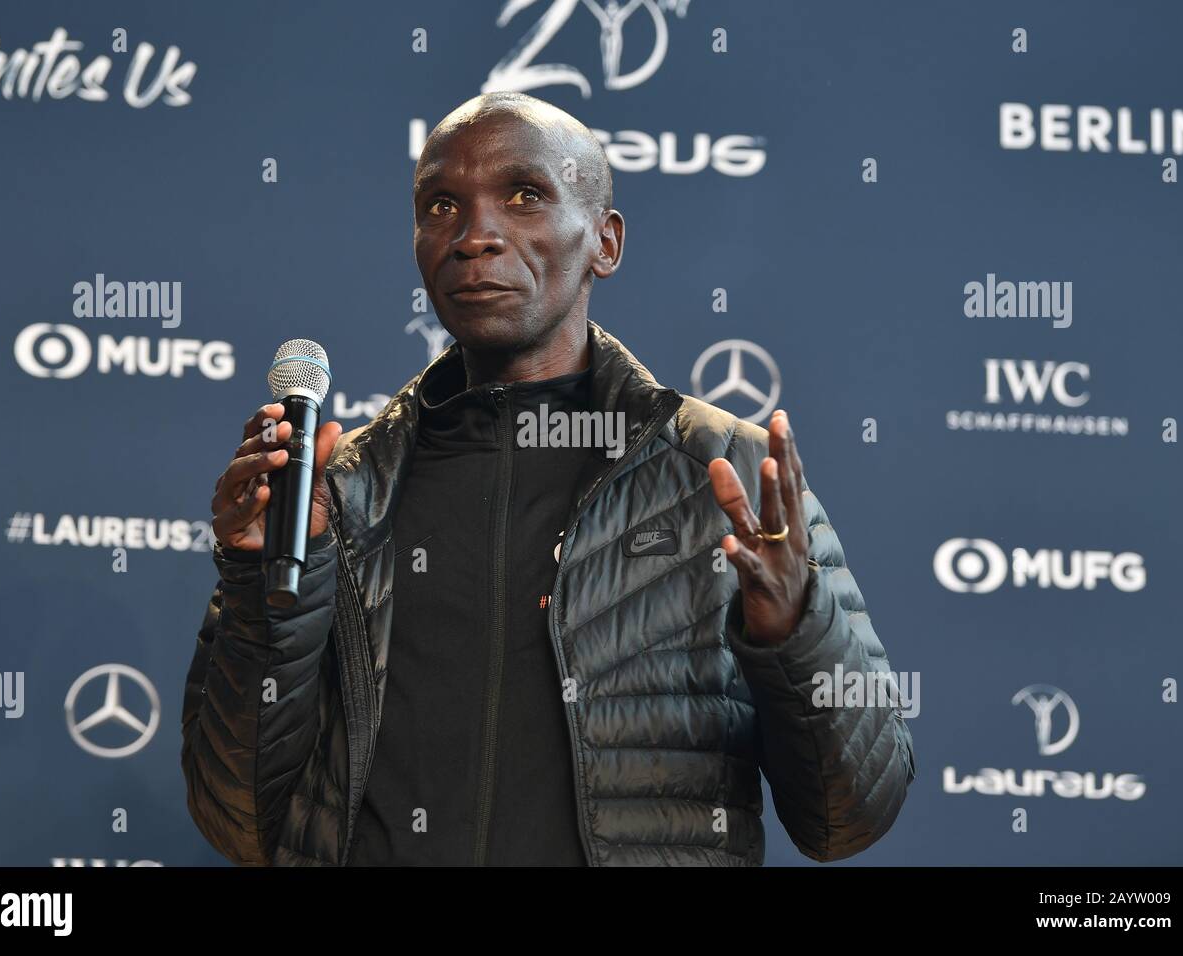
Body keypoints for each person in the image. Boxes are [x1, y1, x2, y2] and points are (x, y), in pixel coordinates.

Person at [182, 91, 914, 866]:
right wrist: (265, 588)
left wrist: (797, 629)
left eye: (524, 196)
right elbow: (240, 822)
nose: (475, 237)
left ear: (605, 241)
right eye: (441, 206)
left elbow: (848, 818)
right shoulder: (339, 492)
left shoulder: (721, 472)